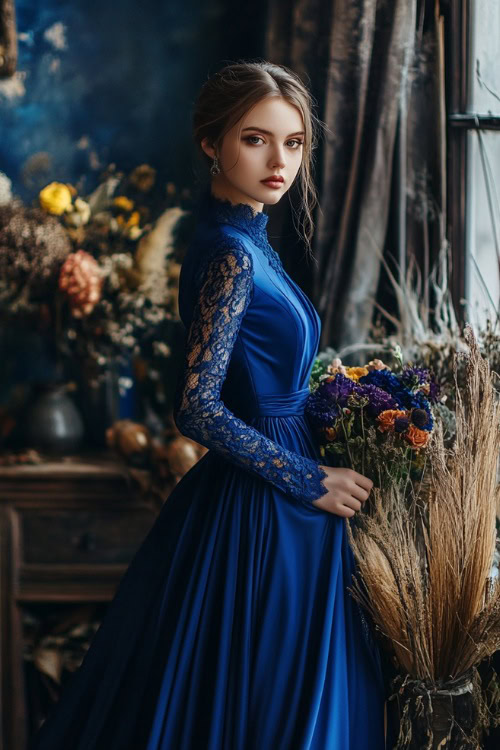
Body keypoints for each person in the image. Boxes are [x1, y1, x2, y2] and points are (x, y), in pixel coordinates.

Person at [29, 60, 386, 749]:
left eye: (294, 143)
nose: (280, 161)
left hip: (288, 495)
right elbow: (195, 409)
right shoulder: (231, 254)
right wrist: (310, 478)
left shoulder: (251, 238)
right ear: (210, 143)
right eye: (256, 140)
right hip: (269, 507)